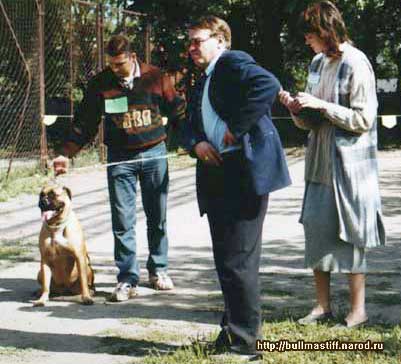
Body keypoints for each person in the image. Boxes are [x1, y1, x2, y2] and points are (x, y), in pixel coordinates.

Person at [184, 16, 291, 354]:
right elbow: (187, 123)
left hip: (242, 173)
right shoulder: (204, 78)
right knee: (226, 260)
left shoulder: (231, 62)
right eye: (189, 42)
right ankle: (231, 333)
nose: (191, 48)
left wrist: (238, 125)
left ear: (220, 40)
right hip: (218, 172)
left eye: (197, 40)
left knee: (238, 260)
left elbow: (268, 84)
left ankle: (246, 344)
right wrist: (196, 144)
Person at [53, 35, 186, 301]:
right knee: (122, 220)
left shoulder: (155, 77)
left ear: (133, 58)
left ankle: (159, 269)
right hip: (119, 158)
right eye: (111, 64)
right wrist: (66, 153)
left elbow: (179, 111)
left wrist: (193, 142)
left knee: (156, 215)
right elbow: (85, 122)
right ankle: (127, 278)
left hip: (153, 153)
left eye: (120, 64)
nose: (116, 70)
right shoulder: (101, 84)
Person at [279, 1, 385, 328]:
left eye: (310, 35)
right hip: (319, 161)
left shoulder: (357, 63)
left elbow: (364, 119)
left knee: (352, 233)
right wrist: (297, 109)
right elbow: (311, 122)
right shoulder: (316, 63)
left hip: (350, 167)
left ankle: (358, 310)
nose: (307, 41)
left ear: (325, 31)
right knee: (316, 227)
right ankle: (322, 306)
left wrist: (321, 105)